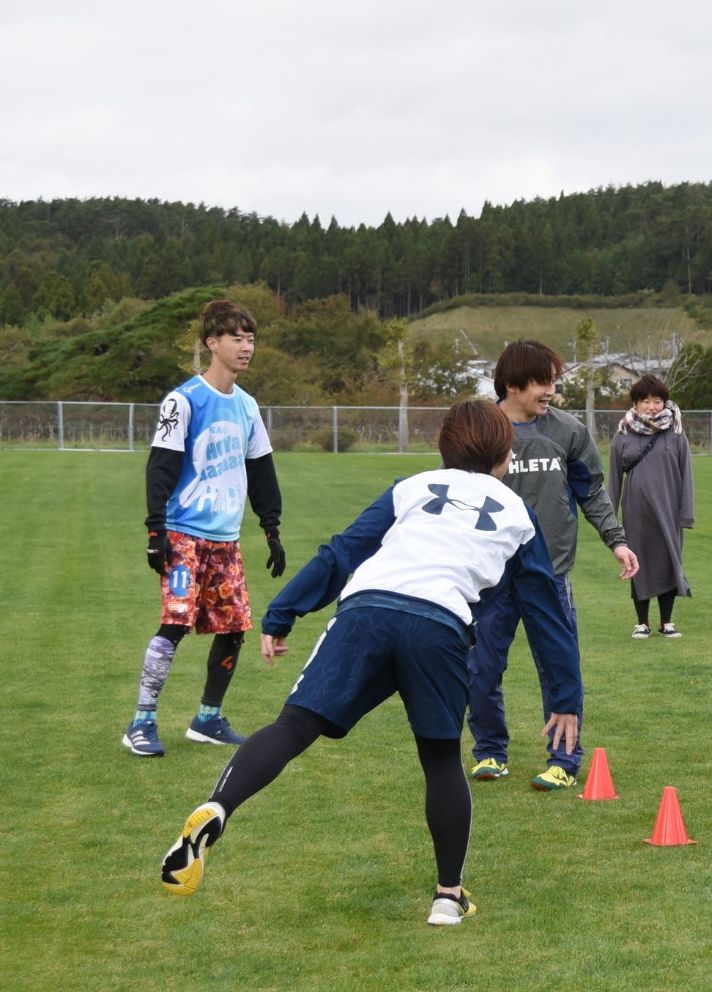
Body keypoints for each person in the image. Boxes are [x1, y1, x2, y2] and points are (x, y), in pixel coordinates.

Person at [158, 400, 582, 925]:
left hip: (367, 610)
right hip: (440, 625)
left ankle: (218, 808)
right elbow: (546, 609)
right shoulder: (519, 513)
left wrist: (284, 611)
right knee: (442, 759)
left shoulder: (413, 487)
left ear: (442, 449)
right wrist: (565, 698)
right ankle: (448, 898)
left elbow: (345, 550)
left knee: (294, 726)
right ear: (506, 453)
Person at [466, 341, 638, 790]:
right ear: (512, 384)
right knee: (481, 667)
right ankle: (489, 752)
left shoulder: (568, 431)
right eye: (543, 381)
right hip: (490, 575)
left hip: (550, 575)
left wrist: (616, 542)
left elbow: (592, 492)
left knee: (561, 668)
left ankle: (564, 760)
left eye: (554, 381)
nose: (551, 390)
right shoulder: (481, 428)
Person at [123, 299, 286, 757]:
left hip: (225, 541)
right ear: (212, 343)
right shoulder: (184, 400)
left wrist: (271, 528)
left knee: (234, 627)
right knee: (174, 624)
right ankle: (141, 721)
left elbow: (262, 470)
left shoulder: (249, 407)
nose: (246, 346)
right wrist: (156, 531)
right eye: (236, 337)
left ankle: (207, 718)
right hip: (182, 536)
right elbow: (161, 467)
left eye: (251, 338)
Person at [608, 374, 695, 639]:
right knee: (638, 563)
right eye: (645, 401)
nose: (652, 406)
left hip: (669, 511)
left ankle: (666, 621)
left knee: (670, 562)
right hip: (636, 513)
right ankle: (642, 622)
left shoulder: (676, 434)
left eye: (657, 400)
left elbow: (686, 476)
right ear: (635, 404)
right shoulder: (623, 435)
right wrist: (609, 521)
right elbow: (613, 479)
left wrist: (686, 514)